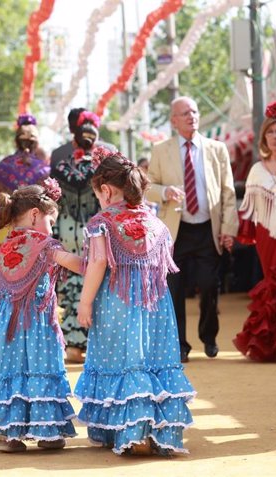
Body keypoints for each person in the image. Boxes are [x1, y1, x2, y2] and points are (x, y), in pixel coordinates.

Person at [74, 153, 195, 456]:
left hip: (118, 301)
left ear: (107, 190)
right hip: (155, 303)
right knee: (152, 360)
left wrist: (85, 302)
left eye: (96, 193)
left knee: (124, 361)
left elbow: (99, 260)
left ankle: (130, 429)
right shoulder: (154, 222)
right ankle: (155, 430)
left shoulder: (102, 222)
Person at [0, 179, 81, 452]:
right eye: (51, 221)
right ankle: (46, 432)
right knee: (39, 369)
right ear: (34, 215)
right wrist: (100, 263)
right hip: (36, 322)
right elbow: (74, 264)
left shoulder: (0, 250)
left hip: (3, 326)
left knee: (8, 371)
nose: (51, 229)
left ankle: (9, 435)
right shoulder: (45, 246)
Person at [147, 96, 238, 363]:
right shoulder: (161, 150)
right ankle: (180, 345)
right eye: (185, 113)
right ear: (174, 120)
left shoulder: (216, 149)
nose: (192, 116)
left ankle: (209, 336)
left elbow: (228, 192)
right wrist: (164, 191)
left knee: (210, 285)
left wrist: (229, 228)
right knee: (174, 290)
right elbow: (147, 187)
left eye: (195, 111)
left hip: (208, 229)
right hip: (176, 232)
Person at [0, 113, 50, 350]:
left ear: (16, 140)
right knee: (31, 283)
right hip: (35, 232)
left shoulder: (4, 166)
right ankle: (28, 336)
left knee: (2, 283)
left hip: (6, 232)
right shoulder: (43, 169)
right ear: (36, 143)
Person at [234, 101, 276, 362]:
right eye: (271, 131)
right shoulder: (256, 170)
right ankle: (274, 344)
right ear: (264, 137)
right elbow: (248, 210)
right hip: (266, 234)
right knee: (273, 283)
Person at [50, 109, 114, 364]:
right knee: (98, 285)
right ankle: (95, 342)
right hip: (96, 231)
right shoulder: (104, 166)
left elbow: (54, 201)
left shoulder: (59, 163)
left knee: (69, 286)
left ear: (75, 139)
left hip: (67, 231)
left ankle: (73, 344)